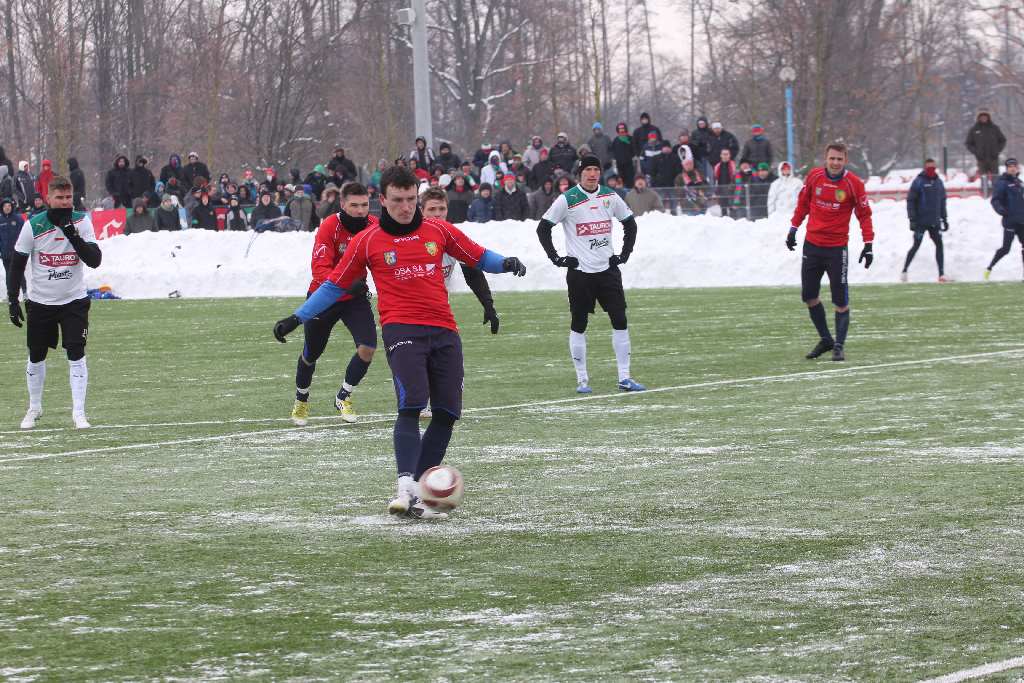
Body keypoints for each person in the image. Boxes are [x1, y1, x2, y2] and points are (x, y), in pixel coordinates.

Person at [272, 165, 527, 519]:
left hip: (444, 331)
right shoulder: (368, 240)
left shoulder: (437, 229)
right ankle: (405, 484)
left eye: (410, 199)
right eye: (398, 200)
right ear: (384, 200)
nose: (406, 207)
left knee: (447, 413)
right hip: (401, 330)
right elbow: (333, 285)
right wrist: (297, 317)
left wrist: (506, 262)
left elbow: (478, 255)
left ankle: (421, 494)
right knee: (411, 405)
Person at [536, 155, 645, 394]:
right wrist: (557, 259)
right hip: (580, 274)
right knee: (579, 324)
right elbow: (543, 228)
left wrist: (624, 254)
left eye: (596, 169)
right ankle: (582, 379)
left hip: (607, 272)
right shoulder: (567, 199)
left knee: (620, 320)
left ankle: (625, 377)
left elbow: (630, 223)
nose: (592, 174)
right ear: (580, 173)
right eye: (588, 170)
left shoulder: (610, 196)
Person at [6, 175, 102, 429]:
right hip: (41, 302)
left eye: (68, 197)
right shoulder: (33, 225)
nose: (64, 202)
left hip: (74, 301)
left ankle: (79, 413)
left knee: (76, 353)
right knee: (36, 356)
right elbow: (17, 265)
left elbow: (94, 259)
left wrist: (71, 232)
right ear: (48, 199)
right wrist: (13, 300)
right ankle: (34, 407)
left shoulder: (81, 222)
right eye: (59, 198)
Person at [285, 182, 379, 426]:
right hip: (323, 297)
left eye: (364, 205)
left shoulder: (373, 226)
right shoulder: (329, 226)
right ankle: (301, 400)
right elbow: (320, 269)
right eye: (354, 205)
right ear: (343, 204)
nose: (360, 210)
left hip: (354, 299)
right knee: (311, 354)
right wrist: (346, 286)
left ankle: (343, 396)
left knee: (368, 347)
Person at [786, 142, 874, 362]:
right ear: (825, 159)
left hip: (836, 250)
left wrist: (868, 244)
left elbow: (864, 214)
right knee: (809, 296)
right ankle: (826, 339)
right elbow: (803, 205)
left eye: (839, 159)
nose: (835, 163)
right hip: (812, 246)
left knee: (840, 300)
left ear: (845, 160)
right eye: (832, 158)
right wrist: (793, 229)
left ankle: (839, 345)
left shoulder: (854, 184)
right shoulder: (814, 177)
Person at [901, 159, 948, 283]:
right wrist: (912, 219)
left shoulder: (939, 183)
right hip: (921, 222)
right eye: (929, 167)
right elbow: (910, 201)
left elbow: (942, 202)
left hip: (934, 222)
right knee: (916, 245)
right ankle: (904, 270)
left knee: (939, 245)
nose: (931, 169)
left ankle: (941, 274)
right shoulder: (918, 182)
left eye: (933, 167)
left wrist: (944, 218)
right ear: (925, 168)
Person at [984, 157, 1024, 280]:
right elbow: (995, 200)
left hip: (1022, 221)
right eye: (1010, 166)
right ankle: (989, 268)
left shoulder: (1019, 182)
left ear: (1017, 168)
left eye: (1014, 166)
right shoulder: (1002, 182)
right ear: (1007, 168)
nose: (1012, 168)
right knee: (1006, 249)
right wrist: (1001, 210)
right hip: (1010, 221)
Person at [965, 110, 1006, 195]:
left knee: (995, 178)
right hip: (981, 159)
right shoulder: (974, 129)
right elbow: (968, 143)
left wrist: (997, 151)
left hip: (993, 158)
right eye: (981, 116)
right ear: (979, 118)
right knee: (984, 179)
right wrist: (976, 152)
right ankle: (985, 195)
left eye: (985, 116)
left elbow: (1003, 140)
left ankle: (996, 195)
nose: (983, 118)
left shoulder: (994, 128)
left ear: (988, 117)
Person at [0, 197, 25, 296]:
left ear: (12, 207)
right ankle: (10, 294)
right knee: (9, 274)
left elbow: (24, 234)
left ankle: (25, 292)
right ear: (2, 207)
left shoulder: (18, 218)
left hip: (17, 252)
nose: (7, 207)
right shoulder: (0, 219)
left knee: (19, 273)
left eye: (9, 206)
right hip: (5, 253)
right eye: (5, 206)